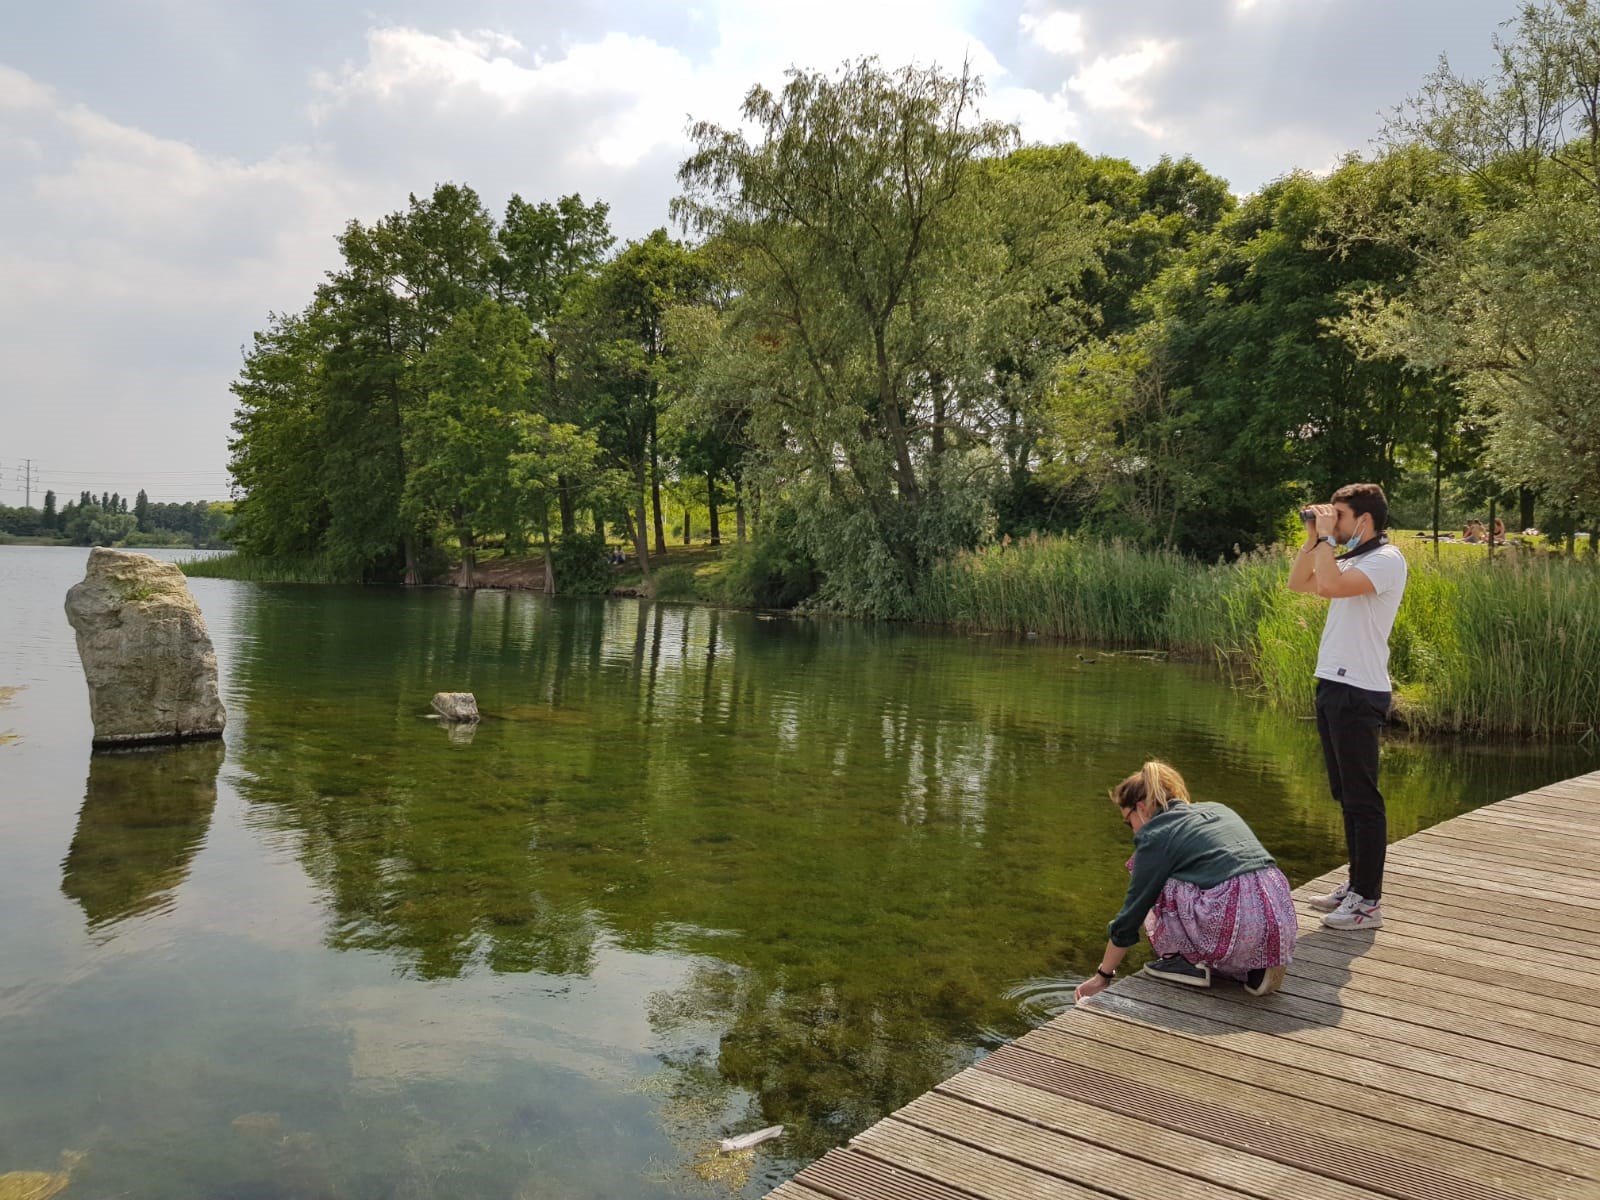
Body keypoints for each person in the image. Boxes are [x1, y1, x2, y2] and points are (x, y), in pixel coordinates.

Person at [1072, 761, 1297, 1003]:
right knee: (1205, 879)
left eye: (1129, 822)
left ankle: (1188, 961)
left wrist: (1103, 976)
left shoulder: (1155, 835)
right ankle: (1257, 967)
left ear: (1141, 808)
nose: (1133, 832)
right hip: (1279, 915)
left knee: (1143, 870)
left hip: (1234, 918)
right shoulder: (1217, 809)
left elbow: (1132, 912)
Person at [1288, 483, 1408, 930]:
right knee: (1346, 796)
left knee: (1364, 800)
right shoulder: (1352, 556)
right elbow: (1299, 582)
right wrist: (1311, 539)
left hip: (1359, 690)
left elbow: (1333, 587)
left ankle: (1368, 903)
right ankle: (1356, 886)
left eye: (1337, 515)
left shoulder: (1386, 560)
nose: (1329, 522)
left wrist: (1324, 540)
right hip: (1333, 685)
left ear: (1364, 519)